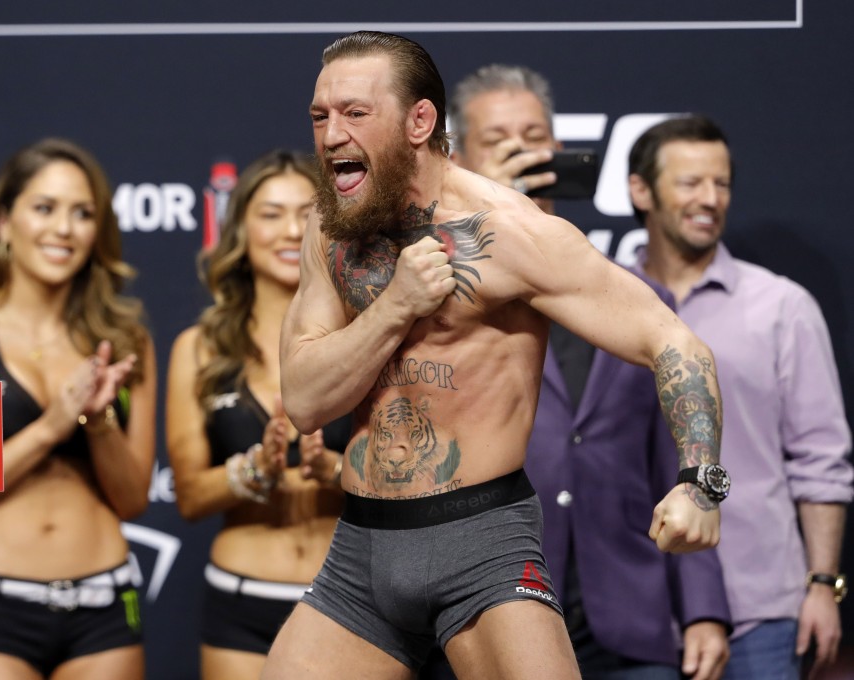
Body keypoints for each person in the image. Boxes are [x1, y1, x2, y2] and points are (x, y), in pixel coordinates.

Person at [263, 31, 727, 680]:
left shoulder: (509, 235)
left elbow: (673, 340)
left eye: (355, 114)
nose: (331, 134)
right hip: (360, 555)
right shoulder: (332, 224)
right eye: (321, 116)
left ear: (419, 121)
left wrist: (701, 483)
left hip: (480, 547)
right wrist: (397, 305)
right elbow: (308, 401)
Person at [444, 64, 731, 680]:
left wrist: (705, 609)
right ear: (457, 158)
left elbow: (672, 457)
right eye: (498, 141)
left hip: (629, 621)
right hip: (489, 616)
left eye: (535, 135)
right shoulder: (438, 299)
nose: (522, 150)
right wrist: (481, 215)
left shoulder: (633, 295)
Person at [0, 138, 157, 680]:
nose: (63, 229)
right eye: (44, 208)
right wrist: (50, 426)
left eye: (82, 213)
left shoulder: (122, 339)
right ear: (3, 222)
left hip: (106, 604)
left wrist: (95, 422)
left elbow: (134, 498)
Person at [628, 114, 853, 680]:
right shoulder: (606, 305)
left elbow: (820, 457)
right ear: (640, 190)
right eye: (690, 183)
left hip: (761, 609)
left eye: (721, 183)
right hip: (634, 615)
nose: (710, 199)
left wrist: (823, 585)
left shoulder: (782, 307)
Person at [166, 149, 353, 680]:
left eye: (307, 212)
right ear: (240, 230)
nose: (291, 230)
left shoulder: (366, 333)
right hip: (241, 601)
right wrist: (255, 471)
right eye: (270, 214)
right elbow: (189, 496)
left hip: (350, 597)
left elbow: (408, 476)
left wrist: (336, 471)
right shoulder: (198, 349)